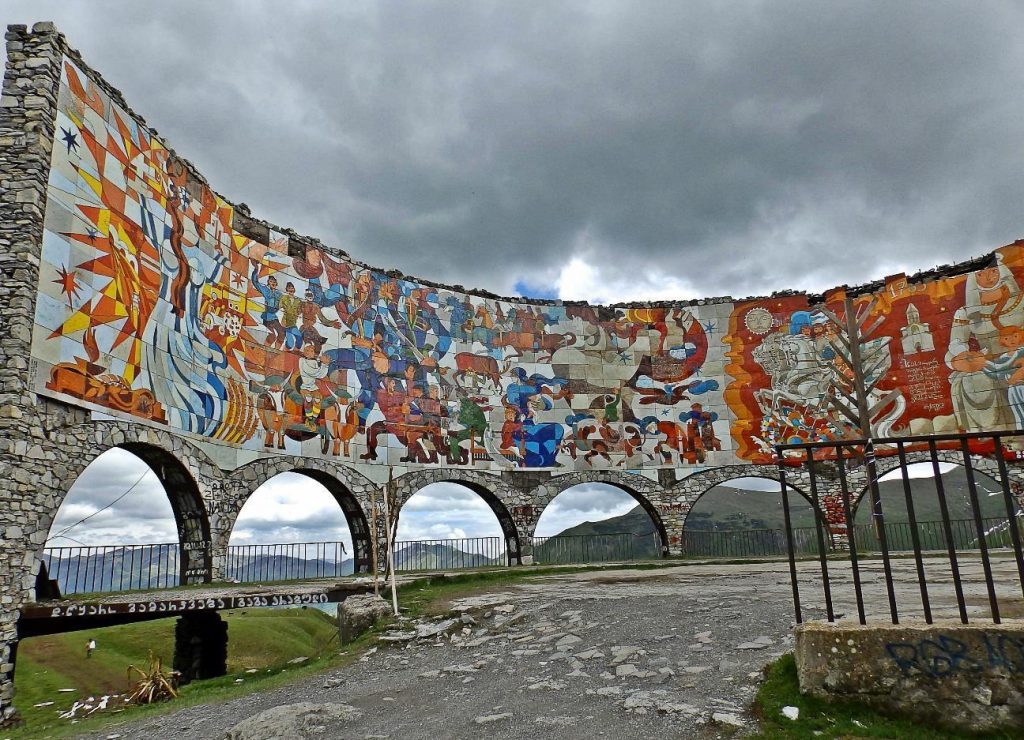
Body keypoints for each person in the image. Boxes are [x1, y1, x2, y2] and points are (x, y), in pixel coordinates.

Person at [946, 255, 1024, 431]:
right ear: (974, 279)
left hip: (1019, 356)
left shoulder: (1021, 301)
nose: (989, 278)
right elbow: (955, 345)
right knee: (973, 381)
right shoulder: (965, 313)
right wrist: (963, 358)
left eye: (994, 272)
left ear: (1002, 272)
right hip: (988, 364)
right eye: (981, 274)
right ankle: (993, 436)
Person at [250, 262, 285, 348]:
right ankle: (265, 348)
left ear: (276, 284)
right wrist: (256, 270)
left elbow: (285, 303)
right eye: (270, 281)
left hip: (274, 317)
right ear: (268, 283)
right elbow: (255, 283)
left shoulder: (279, 294)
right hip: (267, 317)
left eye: (274, 281)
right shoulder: (266, 290)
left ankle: (277, 350)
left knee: (282, 334)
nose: (272, 283)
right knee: (272, 335)